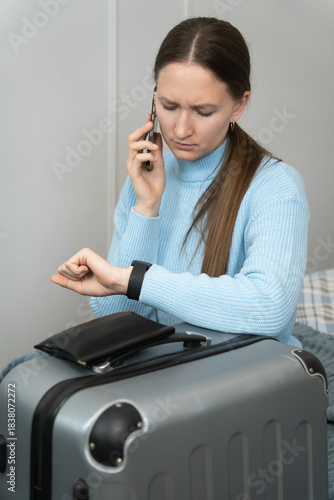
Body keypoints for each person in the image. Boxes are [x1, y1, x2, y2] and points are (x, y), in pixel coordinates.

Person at [49, 17, 309, 348]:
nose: (181, 129)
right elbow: (116, 317)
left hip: (245, 383)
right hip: (169, 377)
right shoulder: (148, 172)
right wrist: (146, 207)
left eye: (203, 111)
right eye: (169, 106)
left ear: (238, 106)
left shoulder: (277, 187)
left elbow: (270, 308)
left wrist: (136, 280)